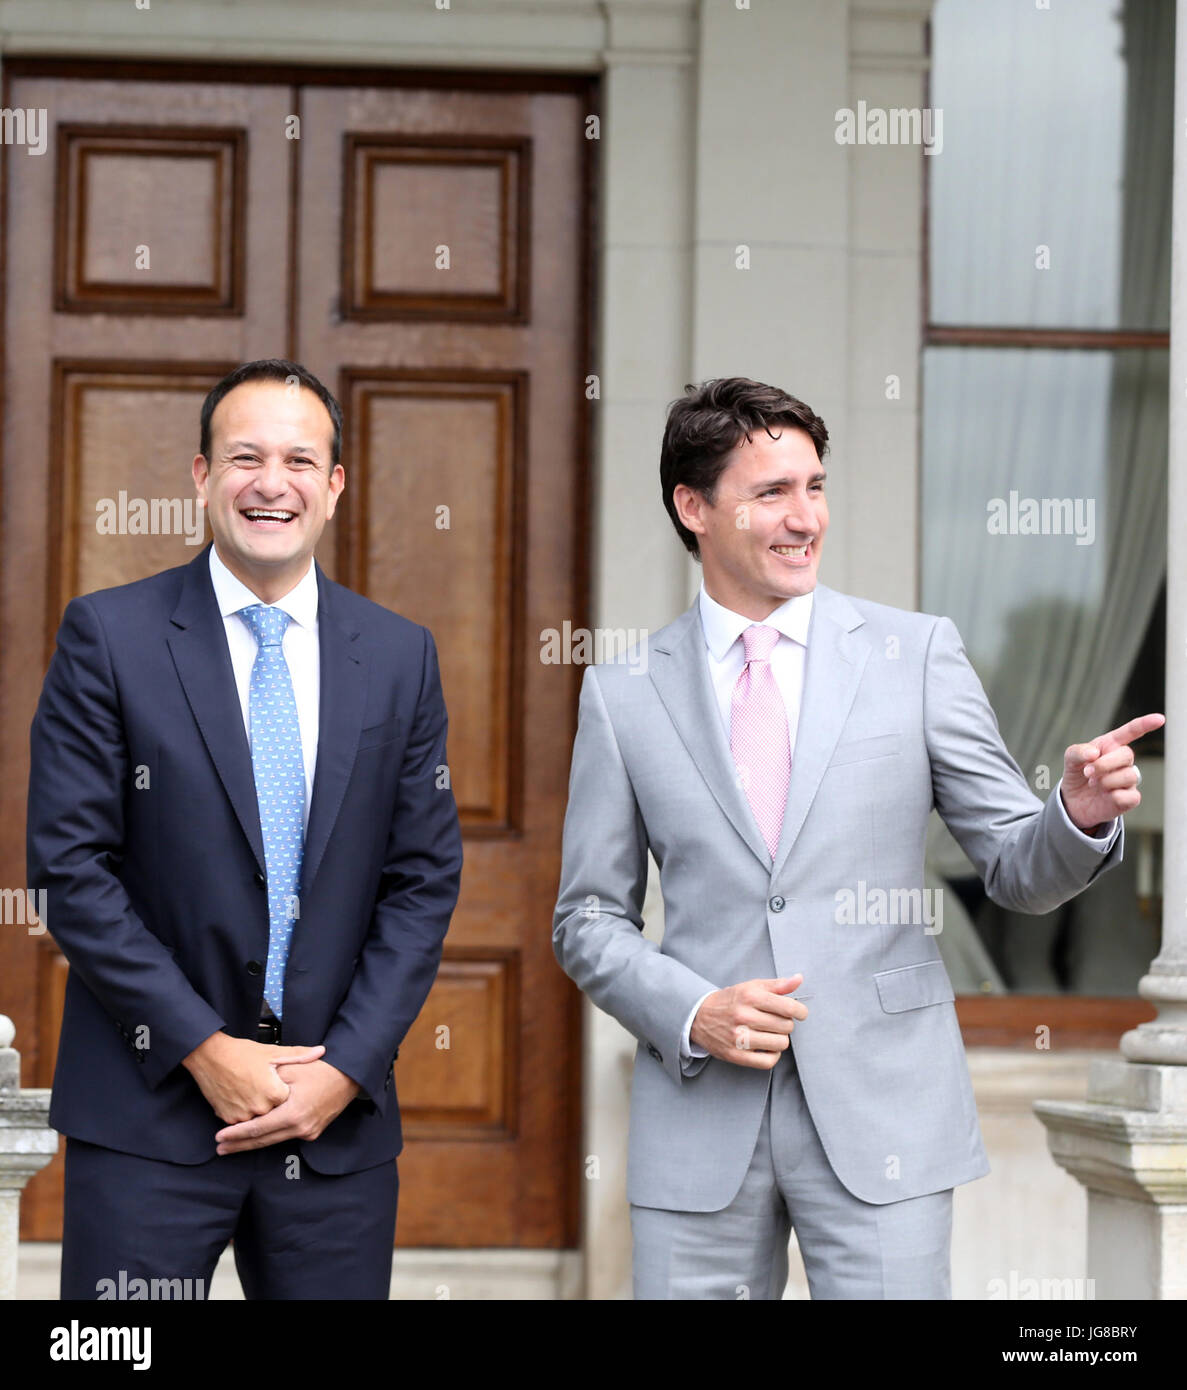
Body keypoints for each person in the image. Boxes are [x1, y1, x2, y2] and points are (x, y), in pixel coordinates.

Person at [552, 376, 1161, 1300]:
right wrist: (690, 1010)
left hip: (886, 1106)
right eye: (770, 493)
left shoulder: (916, 655)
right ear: (693, 507)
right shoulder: (622, 691)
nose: (805, 518)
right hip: (698, 1113)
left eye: (815, 486)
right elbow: (587, 918)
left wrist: (1074, 814)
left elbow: (1013, 866)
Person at [28, 359, 462, 1300]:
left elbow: (422, 880)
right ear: (200, 476)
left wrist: (344, 1068)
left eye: (301, 460)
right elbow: (70, 867)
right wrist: (204, 1050)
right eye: (245, 457)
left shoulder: (398, 655)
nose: (273, 483)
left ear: (336, 485)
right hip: (148, 1117)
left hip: (332, 1128)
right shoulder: (109, 637)